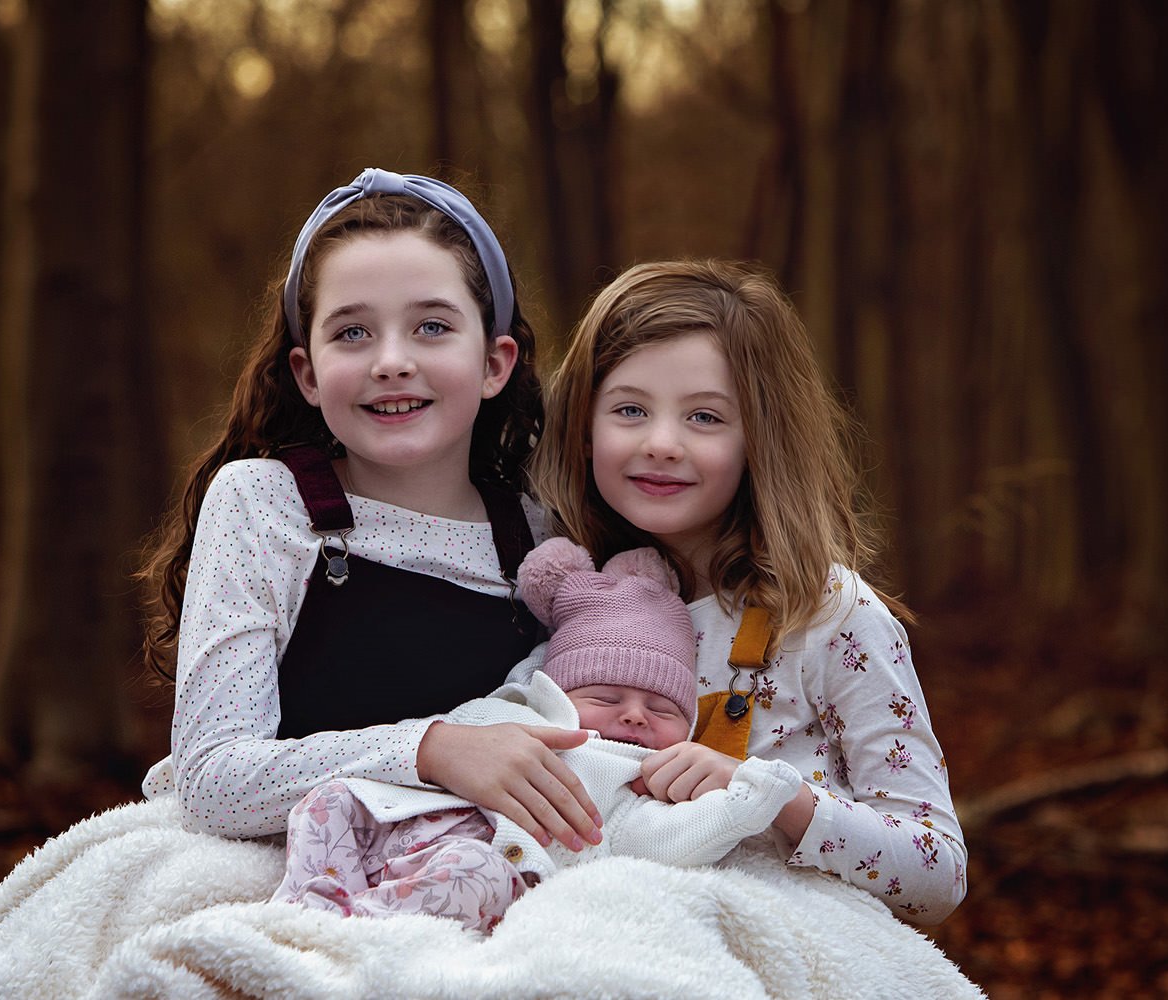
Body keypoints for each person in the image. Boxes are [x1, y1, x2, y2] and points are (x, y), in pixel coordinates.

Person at [136, 168, 603, 855]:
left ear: (495, 363)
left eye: (433, 326)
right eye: (352, 333)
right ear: (308, 373)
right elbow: (212, 783)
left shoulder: (543, 539)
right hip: (286, 877)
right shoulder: (263, 505)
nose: (391, 361)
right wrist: (433, 751)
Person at [522, 258, 968, 925]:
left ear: (761, 439)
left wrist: (769, 796)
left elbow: (937, 872)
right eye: (630, 409)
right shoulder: (567, 602)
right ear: (585, 430)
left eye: (704, 417)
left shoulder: (827, 617)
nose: (663, 443)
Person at [270, 537, 802, 933]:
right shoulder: (509, 712)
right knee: (331, 799)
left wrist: (751, 796)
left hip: (490, 863)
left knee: (470, 872)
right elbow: (422, 742)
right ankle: (301, 907)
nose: (636, 716)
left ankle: (347, 928)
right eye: (607, 699)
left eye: (661, 708)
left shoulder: (631, 788)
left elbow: (671, 840)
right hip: (400, 827)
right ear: (558, 692)